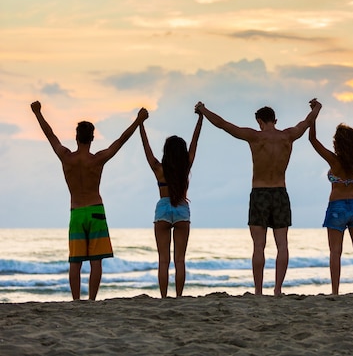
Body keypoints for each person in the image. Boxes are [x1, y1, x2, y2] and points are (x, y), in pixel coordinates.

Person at [194, 99, 321, 296]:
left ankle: (259, 290)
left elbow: (223, 124)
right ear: (275, 120)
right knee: (282, 245)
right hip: (280, 192)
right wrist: (317, 107)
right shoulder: (288, 136)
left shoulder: (254, 137)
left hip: (260, 193)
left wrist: (203, 109)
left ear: (260, 121)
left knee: (259, 246)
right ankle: (278, 289)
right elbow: (307, 121)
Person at [30, 101, 148, 300]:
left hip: (76, 212)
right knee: (96, 261)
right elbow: (121, 140)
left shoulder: (66, 158)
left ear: (76, 138)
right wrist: (138, 120)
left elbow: (50, 135)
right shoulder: (97, 159)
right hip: (96, 210)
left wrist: (37, 113)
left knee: (75, 262)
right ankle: (91, 300)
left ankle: (76, 300)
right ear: (92, 138)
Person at [308, 100, 353, 295]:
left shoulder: (334, 160)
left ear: (338, 143)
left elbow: (312, 139)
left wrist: (313, 116)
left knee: (335, 252)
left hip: (337, 206)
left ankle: (335, 291)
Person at [139, 109, 203, 298]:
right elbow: (195, 141)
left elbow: (146, 147)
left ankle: (164, 296)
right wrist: (200, 118)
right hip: (182, 207)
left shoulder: (158, 168)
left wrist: (141, 124)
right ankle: (179, 296)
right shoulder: (186, 166)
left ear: (166, 152)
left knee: (163, 260)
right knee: (180, 260)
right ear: (182, 153)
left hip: (163, 208)